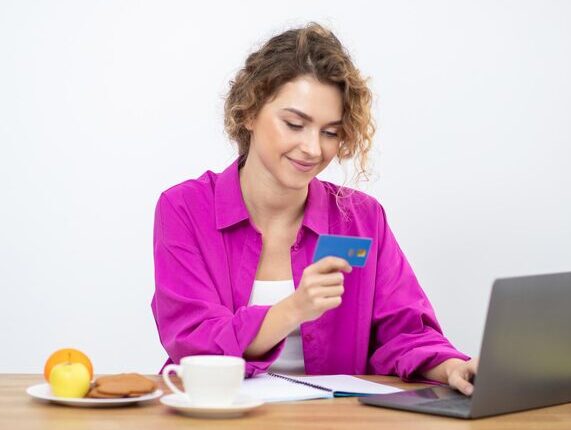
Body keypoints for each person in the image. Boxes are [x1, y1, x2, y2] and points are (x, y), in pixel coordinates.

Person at [151, 22, 478, 395]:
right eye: (294, 124)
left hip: (332, 417)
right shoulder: (184, 209)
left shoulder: (362, 219)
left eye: (330, 132)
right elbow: (193, 339)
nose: (312, 148)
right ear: (249, 112)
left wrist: (454, 368)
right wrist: (293, 309)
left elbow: (405, 332)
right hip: (218, 412)